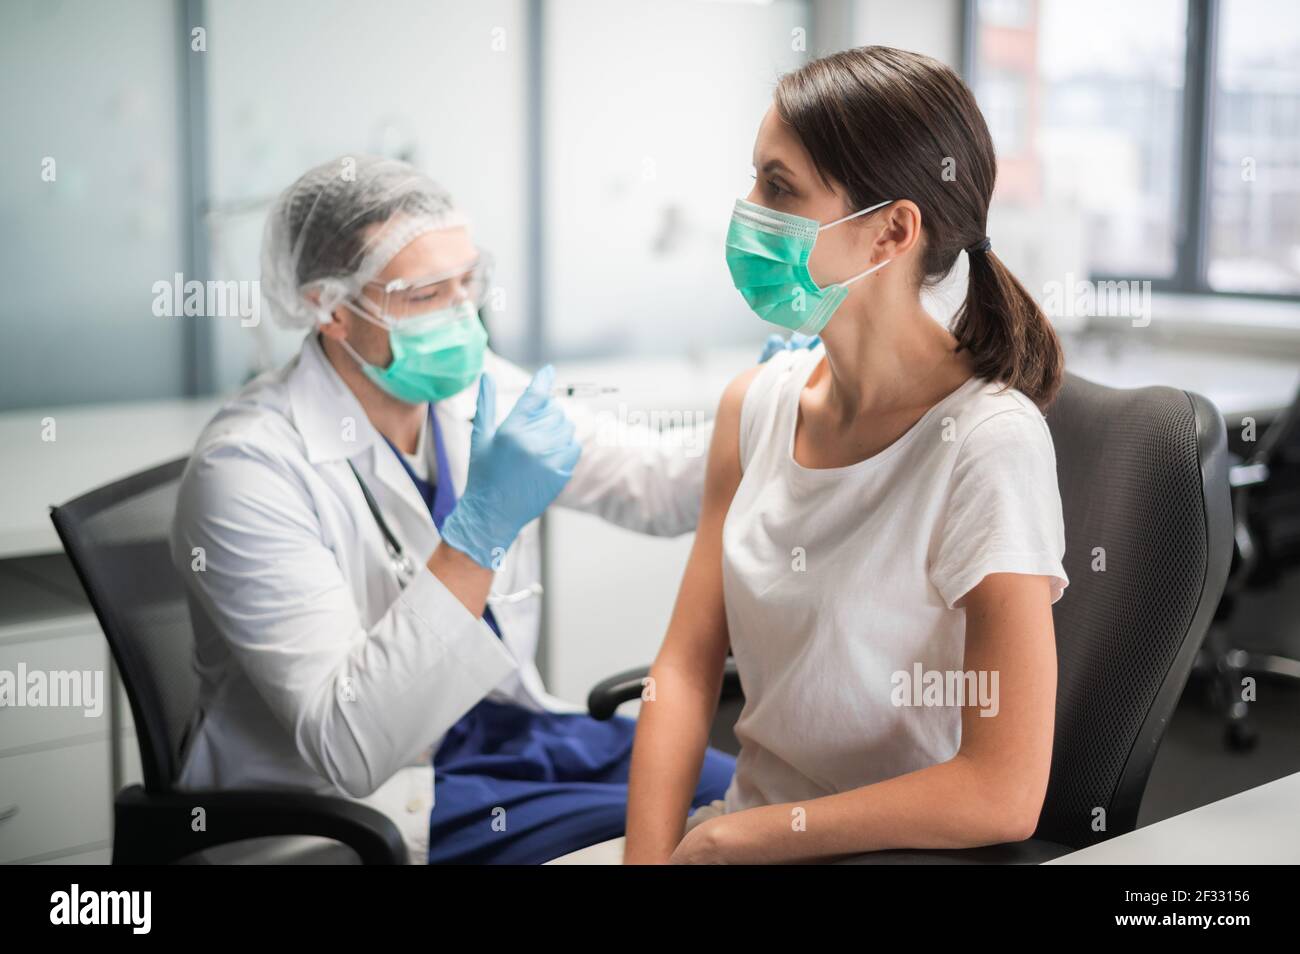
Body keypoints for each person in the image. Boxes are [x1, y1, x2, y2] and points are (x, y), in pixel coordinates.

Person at [552, 46, 1069, 865]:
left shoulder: (986, 444)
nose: (747, 210)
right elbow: (685, 673)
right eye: (755, 179)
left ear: (891, 232)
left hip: (896, 855)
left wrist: (737, 838)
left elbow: (1002, 791)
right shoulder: (755, 407)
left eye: (779, 188)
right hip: (740, 834)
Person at [171, 156, 751, 864]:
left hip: (501, 732)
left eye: (468, 282)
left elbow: (650, 481)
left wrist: (765, 417)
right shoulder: (248, 470)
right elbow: (349, 746)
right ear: (329, 308)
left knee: (759, 795)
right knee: (696, 837)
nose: (461, 314)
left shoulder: (471, 391)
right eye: (425, 293)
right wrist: (479, 534)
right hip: (375, 794)